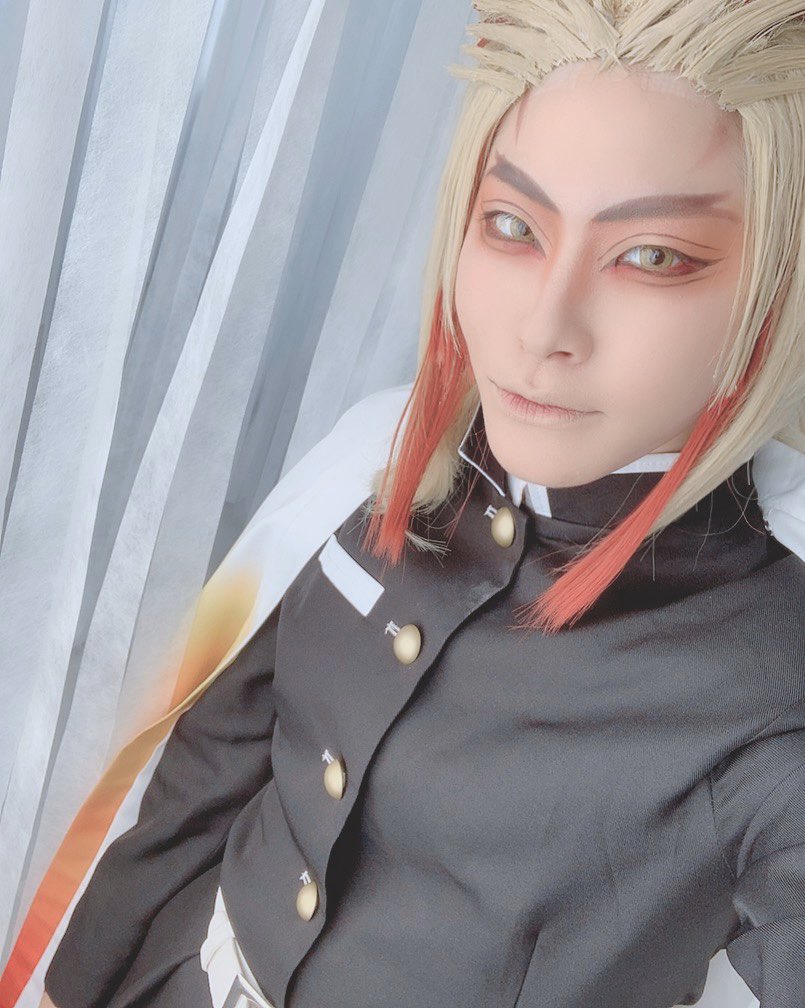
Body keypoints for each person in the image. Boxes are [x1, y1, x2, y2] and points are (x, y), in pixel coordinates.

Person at [2, 0, 803, 1006]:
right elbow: (212, 766)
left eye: (651, 255)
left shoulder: (773, 680)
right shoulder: (376, 458)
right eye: (511, 226)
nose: (541, 328)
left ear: (780, 282)